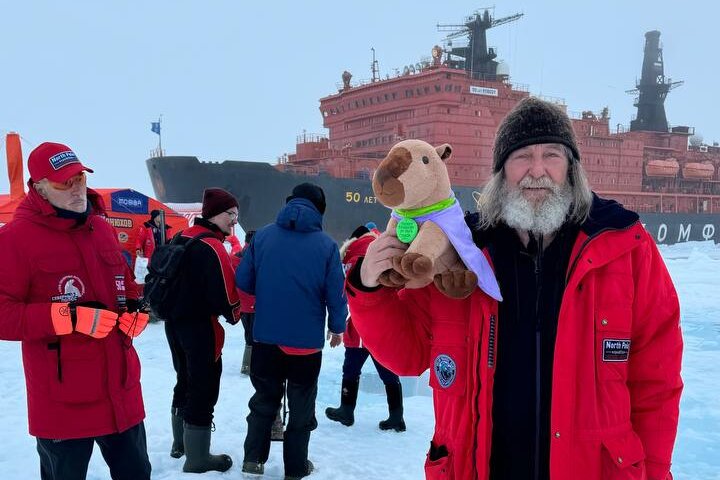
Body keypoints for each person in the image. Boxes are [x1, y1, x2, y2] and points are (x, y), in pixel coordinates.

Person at [346, 97, 683, 480]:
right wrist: (368, 287)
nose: (536, 170)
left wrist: (654, 472)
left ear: (571, 168)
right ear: (501, 170)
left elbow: (656, 383)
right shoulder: (461, 252)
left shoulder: (625, 248)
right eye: (522, 156)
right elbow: (407, 354)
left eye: (551, 155)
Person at [0, 142, 152, 480]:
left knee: (137, 473)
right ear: (38, 187)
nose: (76, 189)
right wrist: (67, 317)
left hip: (121, 391)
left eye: (79, 178)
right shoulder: (15, 239)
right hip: (62, 401)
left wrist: (135, 311)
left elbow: (124, 286)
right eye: (63, 183)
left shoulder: (102, 229)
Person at [236, 182, 347, 479]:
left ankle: (252, 460)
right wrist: (337, 329)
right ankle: (295, 468)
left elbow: (243, 280)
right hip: (305, 346)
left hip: (266, 339)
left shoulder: (263, 237)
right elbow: (336, 295)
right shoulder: (327, 246)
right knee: (301, 406)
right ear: (319, 210)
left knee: (263, 399)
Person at [163, 187, 242, 473]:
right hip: (200, 327)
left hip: (174, 324)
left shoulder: (180, 237)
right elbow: (228, 296)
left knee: (183, 379)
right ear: (214, 214)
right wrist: (236, 314)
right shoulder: (213, 246)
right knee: (203, 387)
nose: (234, 221)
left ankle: (180, 443)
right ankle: (197, 458)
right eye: (230, 215)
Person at [325, 225, 406, 432]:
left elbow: (344, 293)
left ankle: (346, 410)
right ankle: (396, 416)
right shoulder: (383, 250)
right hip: (382, 326)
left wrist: (336, 324)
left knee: (351, 370)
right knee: (387, 371)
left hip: (359, 325)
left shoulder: (352, 255)